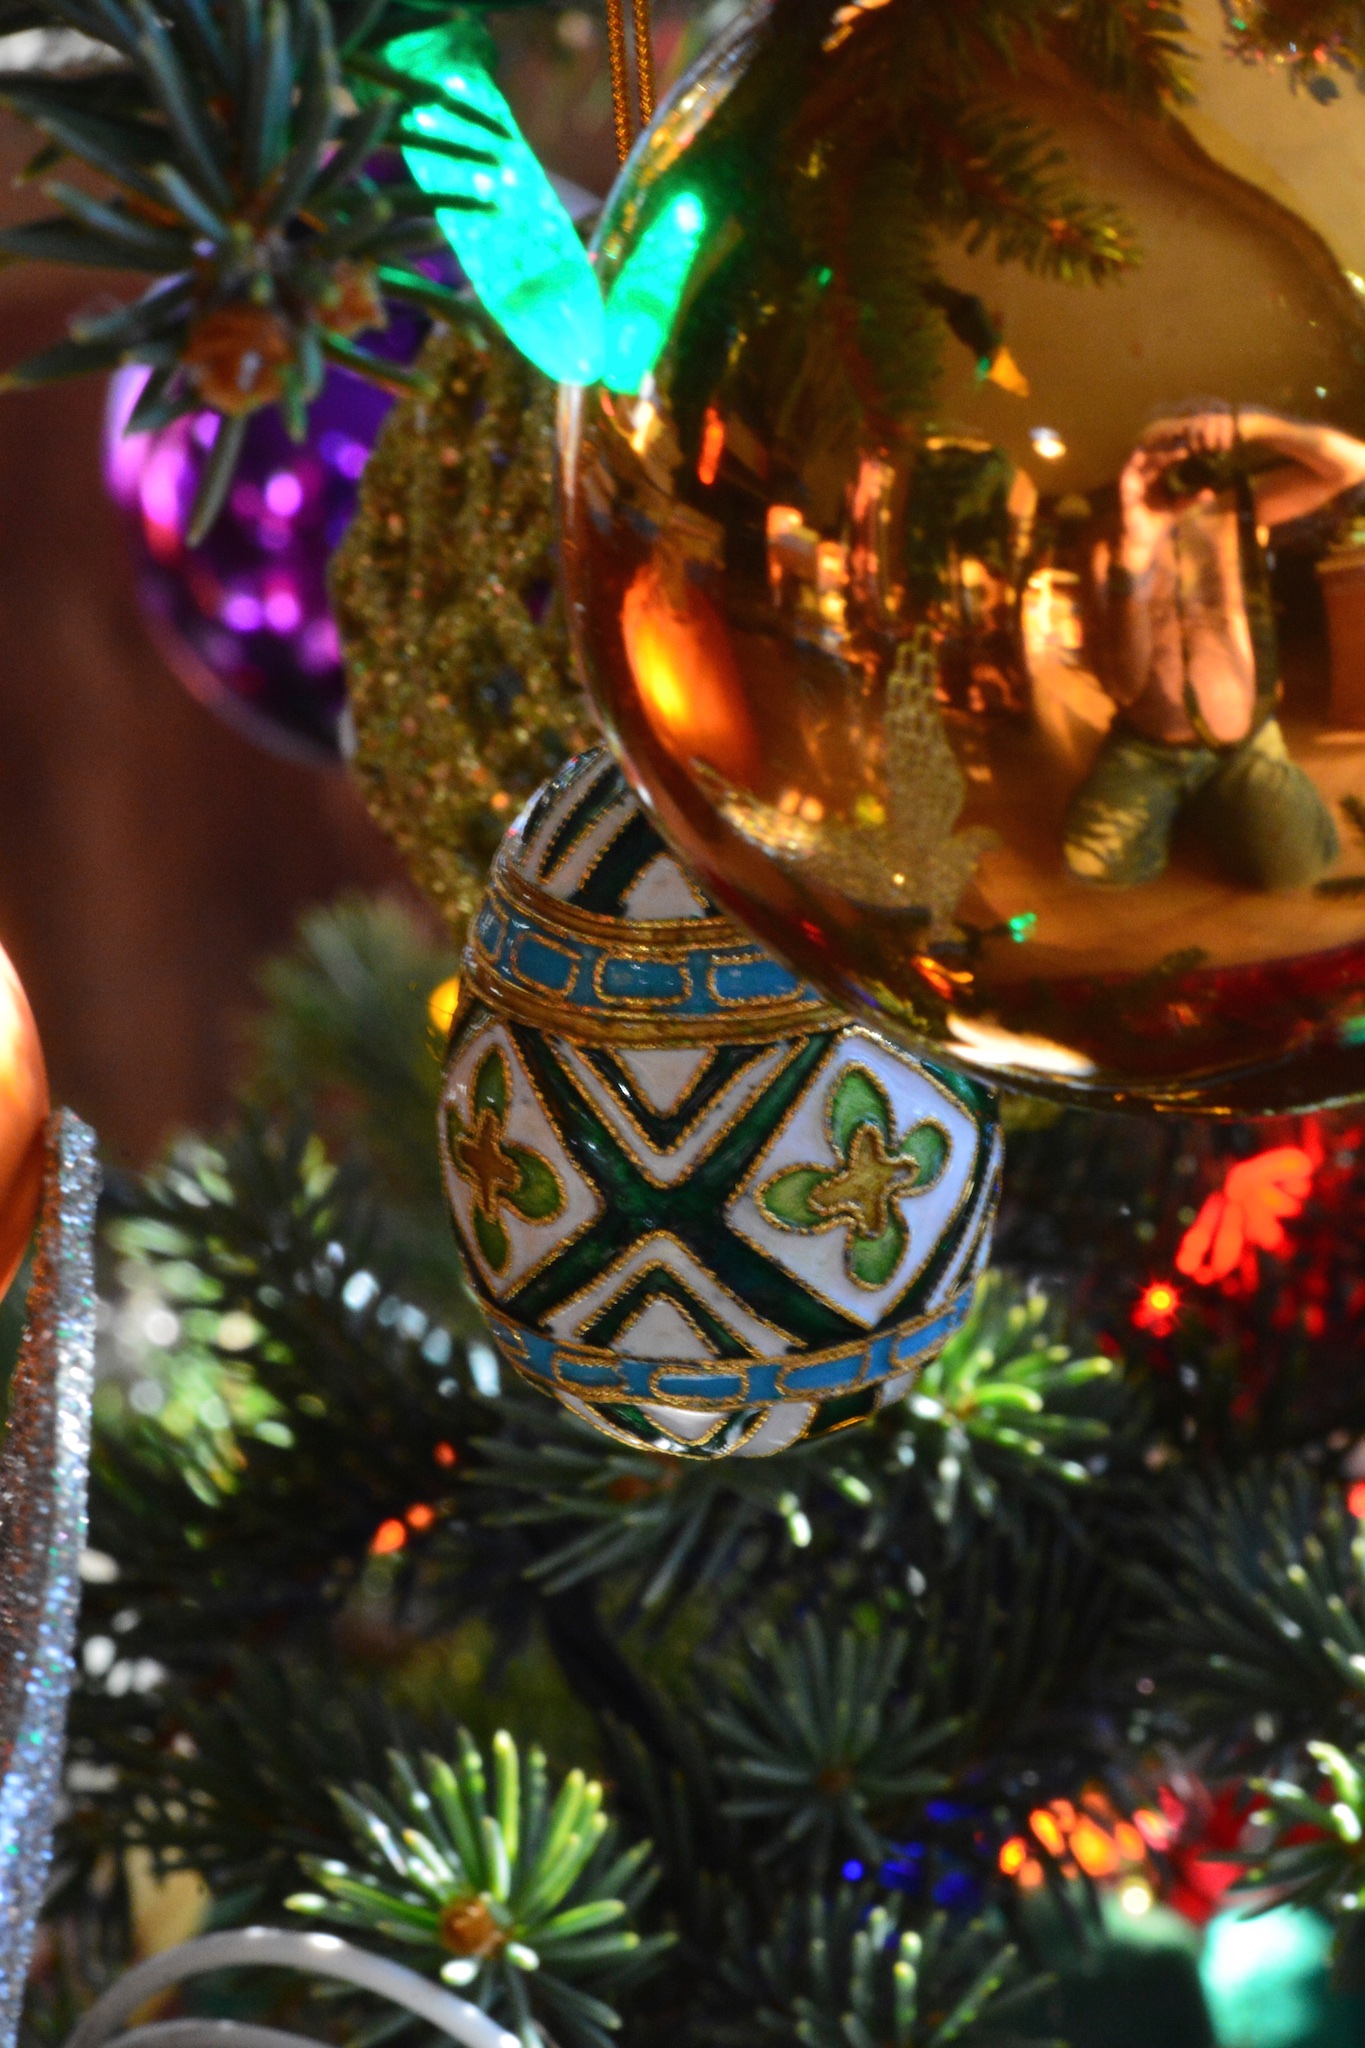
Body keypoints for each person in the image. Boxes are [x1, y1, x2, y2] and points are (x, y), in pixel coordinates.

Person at [1062, 405, 1365, 889]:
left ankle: (1223, 803)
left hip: (1243, 743)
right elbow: (1121, 683)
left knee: (1294, 872)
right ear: (1136, 465)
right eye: (1162, 454)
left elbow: (1354, 466)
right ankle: (1195, 805)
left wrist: (1252, 424)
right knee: (1096, 873)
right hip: (1146, 748)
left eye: (1189, 449)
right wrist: (1135, 557)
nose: (1178, 467)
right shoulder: (1107, 543)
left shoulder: (1241, 508)